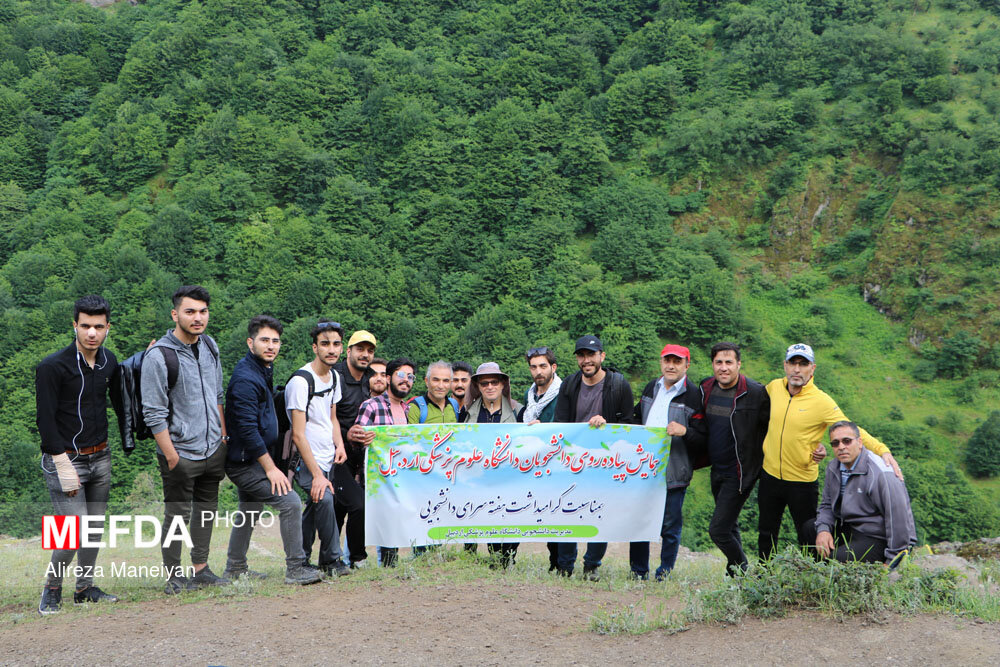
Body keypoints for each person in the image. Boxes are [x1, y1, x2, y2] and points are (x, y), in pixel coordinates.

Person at [758, 343, 902, 563]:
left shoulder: (821, 401)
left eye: (803, 364)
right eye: (793, 363)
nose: (797, 369)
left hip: (802, 480)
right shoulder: (773, 387)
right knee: (766, 532)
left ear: (812, 369)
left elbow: (850, 429)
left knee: (808, 534)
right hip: (770, 475)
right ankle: (763, 577)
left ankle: (811, 578)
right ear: (785, 365)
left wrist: (882, 450)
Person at [142, 285, 230, 594]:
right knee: (177, 515)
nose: (197, 318)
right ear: (175, 313)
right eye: (190, 311)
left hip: (212, 448)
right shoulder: (159, 356)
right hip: (179, 452)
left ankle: (201, 569)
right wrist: (171, 456)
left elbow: (217, 393)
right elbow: (153, 413)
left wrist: (222, 436)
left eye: (203, 311)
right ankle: (173, 576)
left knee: (206, 511)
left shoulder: (209, 345)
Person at [36, 295, 122, 614]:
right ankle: (52, 588)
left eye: (98, 327)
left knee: (94, 528)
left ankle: (85, 588)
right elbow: (45, 420)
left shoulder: (108, 362)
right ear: (75, 325)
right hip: (65, 458)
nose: (91, 333)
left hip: (100, 456)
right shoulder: (52, 367)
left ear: (107, 328)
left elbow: (124, 393)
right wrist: (60, 462)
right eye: (85, 326)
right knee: (72, 530)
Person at [222, 316, 321, 585]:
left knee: (250, 508)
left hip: (250, 458)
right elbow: (247, 430)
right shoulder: (245, 378)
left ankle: (235, 567)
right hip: (245, 462)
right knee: (289, 503)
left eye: (275, 341)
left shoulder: (260, 369)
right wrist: (270, 468)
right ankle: (296, 568)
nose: (271, 346)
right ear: (250, 342)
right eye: (265, 340)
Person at [553, 335, 634, 580]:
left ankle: (592, 565)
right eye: (581, 355)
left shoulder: (619, 385)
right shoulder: (569, 384)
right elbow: (560, 423)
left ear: (602, 356)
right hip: (573, 462)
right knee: (566, 511)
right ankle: (564, 566)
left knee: (601, 513)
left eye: (591, 355)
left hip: (605, 464)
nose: (586, 360)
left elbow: (629, 425)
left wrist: (607, 425)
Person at [632, 345, 707, 581]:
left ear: (687, 365)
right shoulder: (650, 387)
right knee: (639, 521)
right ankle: (638, 571)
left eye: (677, 361)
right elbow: (635, 418)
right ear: (661, 362)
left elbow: (704, 438)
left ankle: (664, 573)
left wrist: (685, 431)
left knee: (670, 526)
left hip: (674, 470)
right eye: (667, 360)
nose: (671, 365)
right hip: (643, 469)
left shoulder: (694, 394)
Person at [698, 342, 770, 576]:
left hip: (740, 473)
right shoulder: (706, 387)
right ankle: (736, 576)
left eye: (729, 362)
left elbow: (774, 427)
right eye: (719, 362)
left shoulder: (755, 392)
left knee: (718, 530)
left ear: (739, 364)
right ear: (712, 365)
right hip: (716, 469)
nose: (724, 368)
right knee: (730, 526)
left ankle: (744, 569)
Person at [286, 319, 351, 578]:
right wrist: (317, 475)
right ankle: (332, 560)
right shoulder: (301, 382)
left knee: (316, 507)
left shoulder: (335, 376)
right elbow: (299, 435)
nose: (331, 349)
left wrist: (340, 444)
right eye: (325, 344)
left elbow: (332, 417)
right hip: (306, 458)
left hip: (328, 455)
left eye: (336, 344)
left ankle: (301, 560)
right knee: (324, 499)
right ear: (314, 347)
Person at [811, 421, 916, 567]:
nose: (841, 447)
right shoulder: (833, 468)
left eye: (847, 441)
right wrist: (823, 530)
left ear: (860, 442)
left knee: (837, 560)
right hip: (849, 527)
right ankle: (813, 573)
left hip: (877, 536)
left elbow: (898, 517)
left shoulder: (881, 473)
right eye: (835, 443)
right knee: (809, 529)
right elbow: (827, 504)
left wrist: (893, 558)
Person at [354, 358, 417, 567]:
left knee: (395, 520)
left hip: (400, 477)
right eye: (401, 375)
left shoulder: (407, 409)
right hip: (377, 478)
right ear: (388, 378)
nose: (406, 381)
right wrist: (363, 438)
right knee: (368, 521)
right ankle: (355, 561)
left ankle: (390, 564)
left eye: (410, 377)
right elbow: (357, 436)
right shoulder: (371, 405)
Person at [460, 362, 523, 567]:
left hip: (510, 476)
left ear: (502, 384)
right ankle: (495, 558)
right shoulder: (467, 412)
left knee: (511, 519)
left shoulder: (519, 411)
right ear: (477, 386)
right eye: (484, 383)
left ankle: (509, 558)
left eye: (494, 382)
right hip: (480, 477)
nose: (489, 387)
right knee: (488, 517)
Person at [331, 329, 378, 568]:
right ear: (348, 351)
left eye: (369, 350)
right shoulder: (334, 376)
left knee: (341, 506)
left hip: (359, 456)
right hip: (333, 453)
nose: (365, 354)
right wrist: (344, 435)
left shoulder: (371, 377)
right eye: (360, 349)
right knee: (357, 504)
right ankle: (357, 558)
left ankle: (331, 559)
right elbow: (325, 416)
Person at [517, 346, 565, 571]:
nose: (538, 371)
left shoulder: (564, 394)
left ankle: (561, 566)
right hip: (534, 465)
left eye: (543, 366)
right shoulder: (530, 396)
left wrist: (546, 428)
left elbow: (568, 425)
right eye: (534, 367)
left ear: (553, 368)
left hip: (558, 466)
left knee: (558, 517)